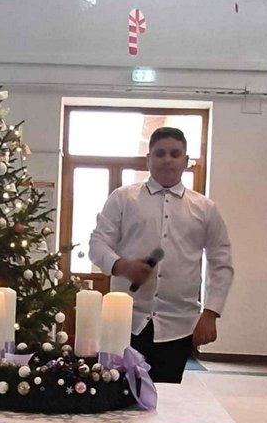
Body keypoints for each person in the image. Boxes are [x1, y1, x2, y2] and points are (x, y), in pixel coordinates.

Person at [89, 126, 233, 383]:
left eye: (175, 154)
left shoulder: (205, 208)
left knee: (167, 398)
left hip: (178, 326)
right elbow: (97, 244)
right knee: (119, 394)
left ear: (185, 161)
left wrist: (211, 313)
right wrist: (122, 266)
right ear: (149, 159)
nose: (167, 159)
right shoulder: (123, 198)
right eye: (160, 153)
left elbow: (220, 262)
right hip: (125, 321)